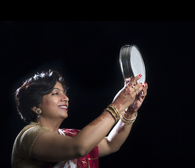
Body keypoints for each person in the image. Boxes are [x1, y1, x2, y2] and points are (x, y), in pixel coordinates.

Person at [11, 69, 148, 168]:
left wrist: (128, 112)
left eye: (64, 93)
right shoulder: (28, 136)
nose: (65, 98)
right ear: (36, 107)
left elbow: (111, 144)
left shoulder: (68, 135)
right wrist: (118, 105)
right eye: (55, 93)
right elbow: (79, 147)